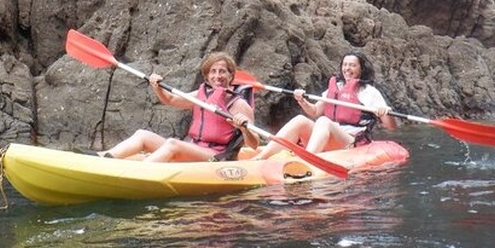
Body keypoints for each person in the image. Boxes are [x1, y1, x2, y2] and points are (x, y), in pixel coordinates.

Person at [91, 52, 259, 162]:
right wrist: (157, 87)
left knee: (173, 144)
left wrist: (245, 129)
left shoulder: (238, 104)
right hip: (196, 148)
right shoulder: (201, 95)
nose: (217, 76)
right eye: (213, 72)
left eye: (222, 71)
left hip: (217, 156)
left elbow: (254, 144)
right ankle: (100, 158)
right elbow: (170, 100)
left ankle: (138, 172)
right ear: (207, 77)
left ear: (231, 75)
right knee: (143, 135)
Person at [253, 51, 397, 160]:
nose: (347, 68)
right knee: (300, 120)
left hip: (351, 141)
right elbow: (315, 111)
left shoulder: (369, 92)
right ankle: (261, 158)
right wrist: (302, 100)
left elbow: (391, 126)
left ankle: (307, 160)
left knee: (323, 122)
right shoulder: (335, 87)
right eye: (345, 65)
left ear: (361, 69)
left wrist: (385, 112)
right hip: (330, 138)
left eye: (352, 65)